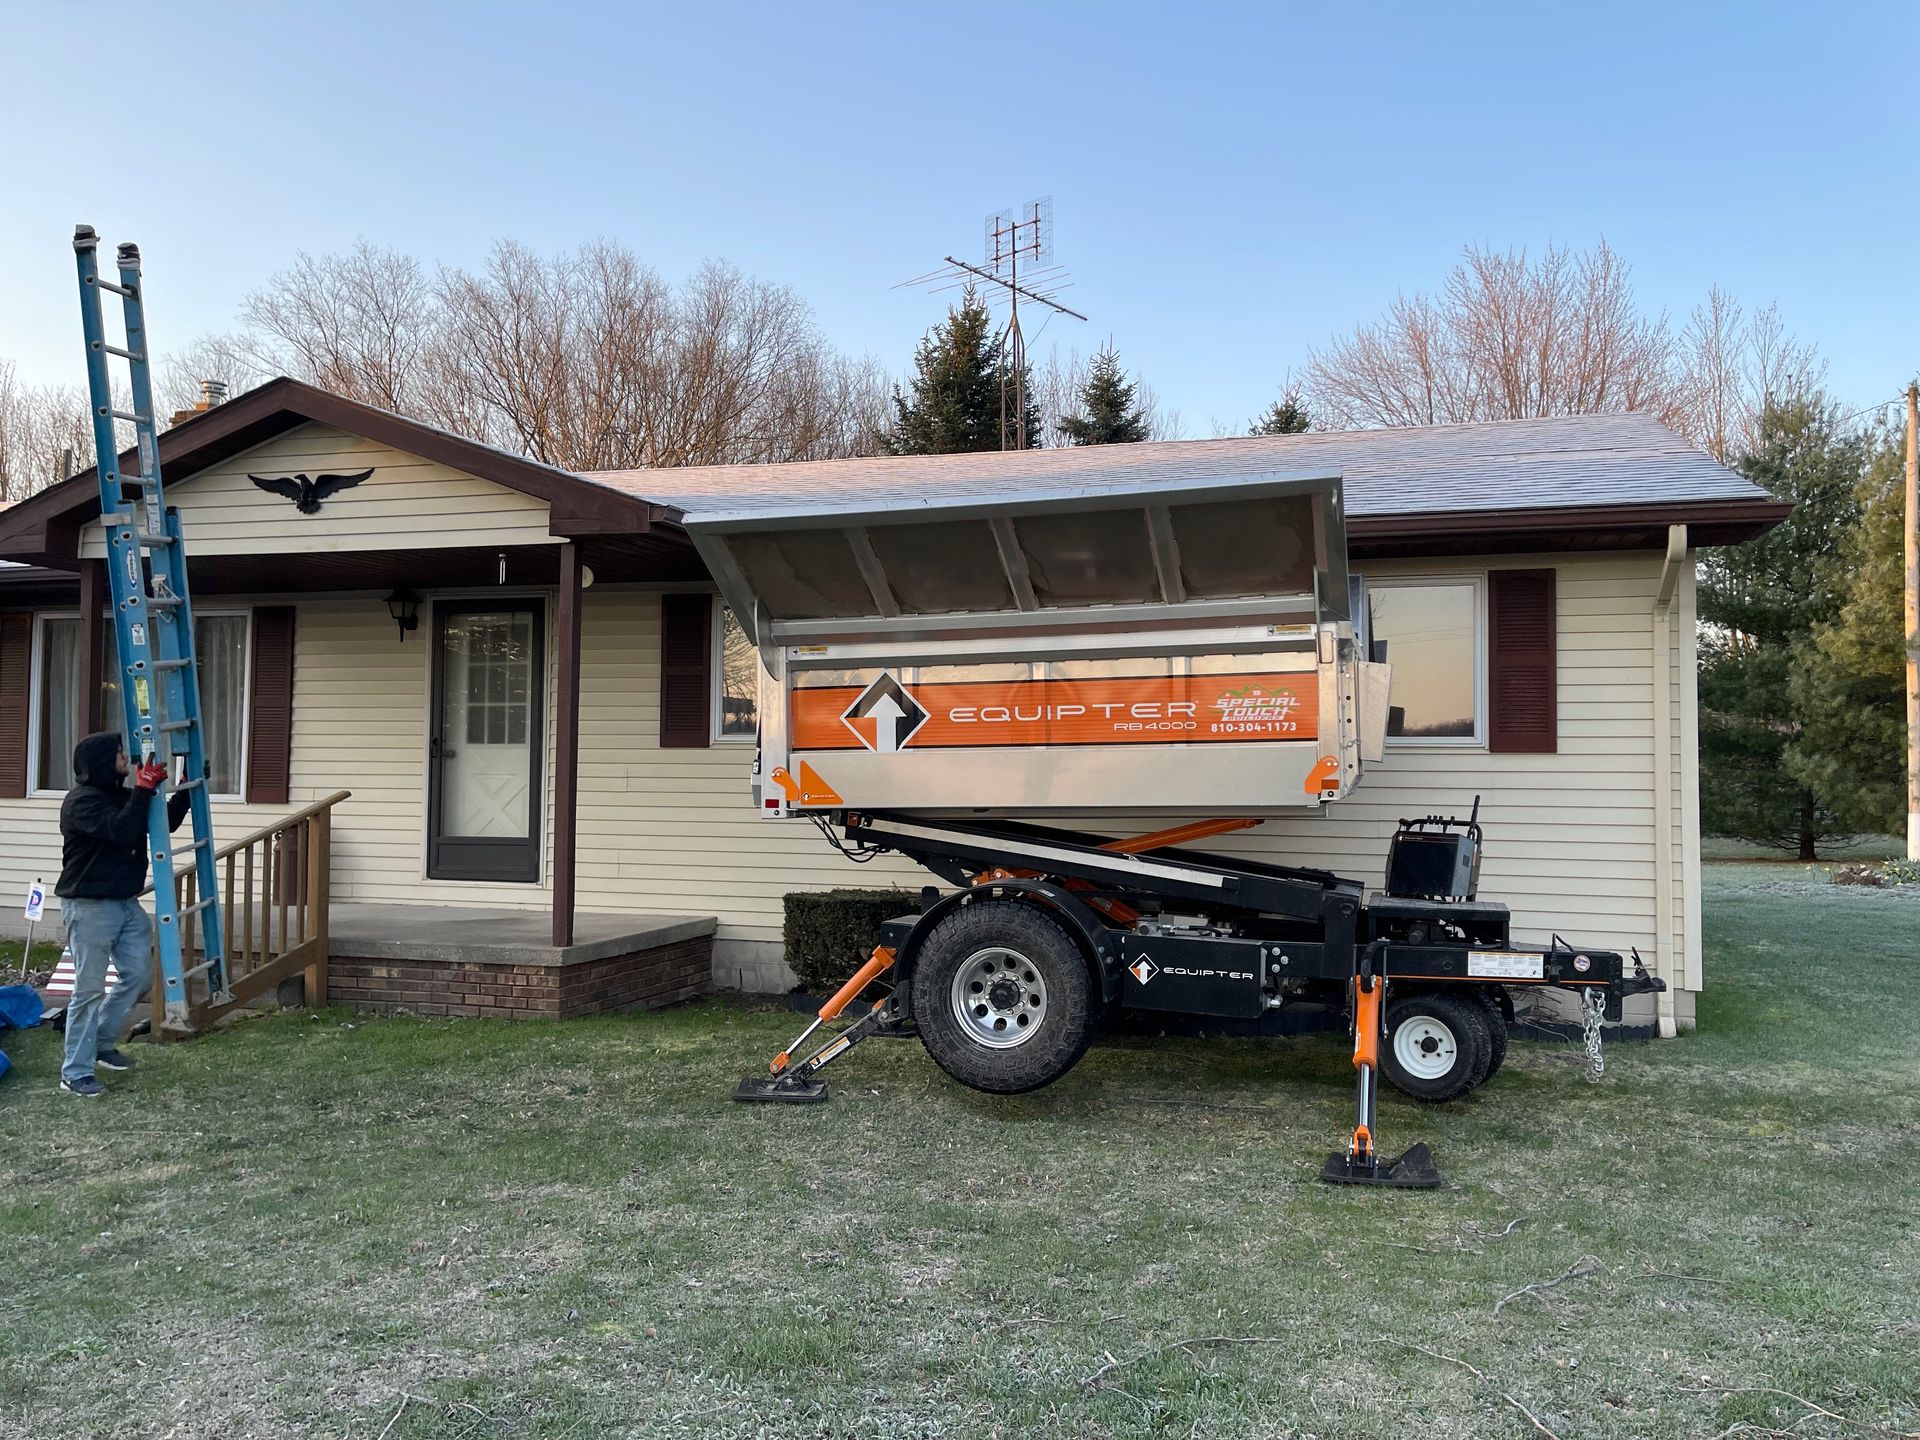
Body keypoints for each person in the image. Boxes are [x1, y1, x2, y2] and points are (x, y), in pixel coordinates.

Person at [55, 732, 191, 1098]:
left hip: (125, 904)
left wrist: (185, 787)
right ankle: (75, 1071)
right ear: (100, 761)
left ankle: (100, 1044)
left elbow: (165, 823)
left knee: (139, 975)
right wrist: (144, 790)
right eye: (117, 753)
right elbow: (121, 830)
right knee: (88, 990)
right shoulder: (80, 803)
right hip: (88, 906)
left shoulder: (122, 796)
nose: (124, 757)